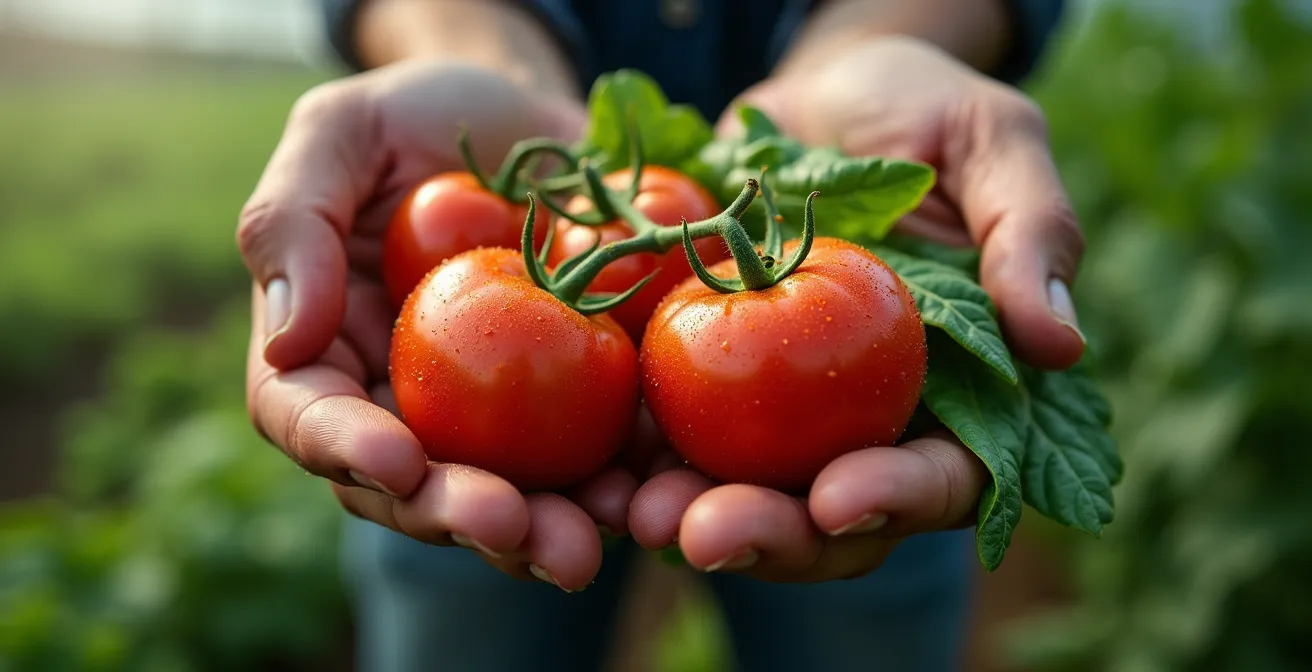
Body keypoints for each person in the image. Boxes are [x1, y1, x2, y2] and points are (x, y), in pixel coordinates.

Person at [237, 1, 1085, 670]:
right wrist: (465, 42)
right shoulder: (544, 304)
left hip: (862, 474)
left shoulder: (820, 291)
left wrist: (890, 33)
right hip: (454, 468)